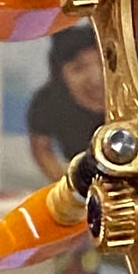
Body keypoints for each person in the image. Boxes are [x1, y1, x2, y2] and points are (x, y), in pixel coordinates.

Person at [26, 26, 107, 181]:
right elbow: (41, 150)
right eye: (78, 69)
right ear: (60, 75)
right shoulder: (47, 103)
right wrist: (68, 185)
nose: (95, 79)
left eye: (103, 64)